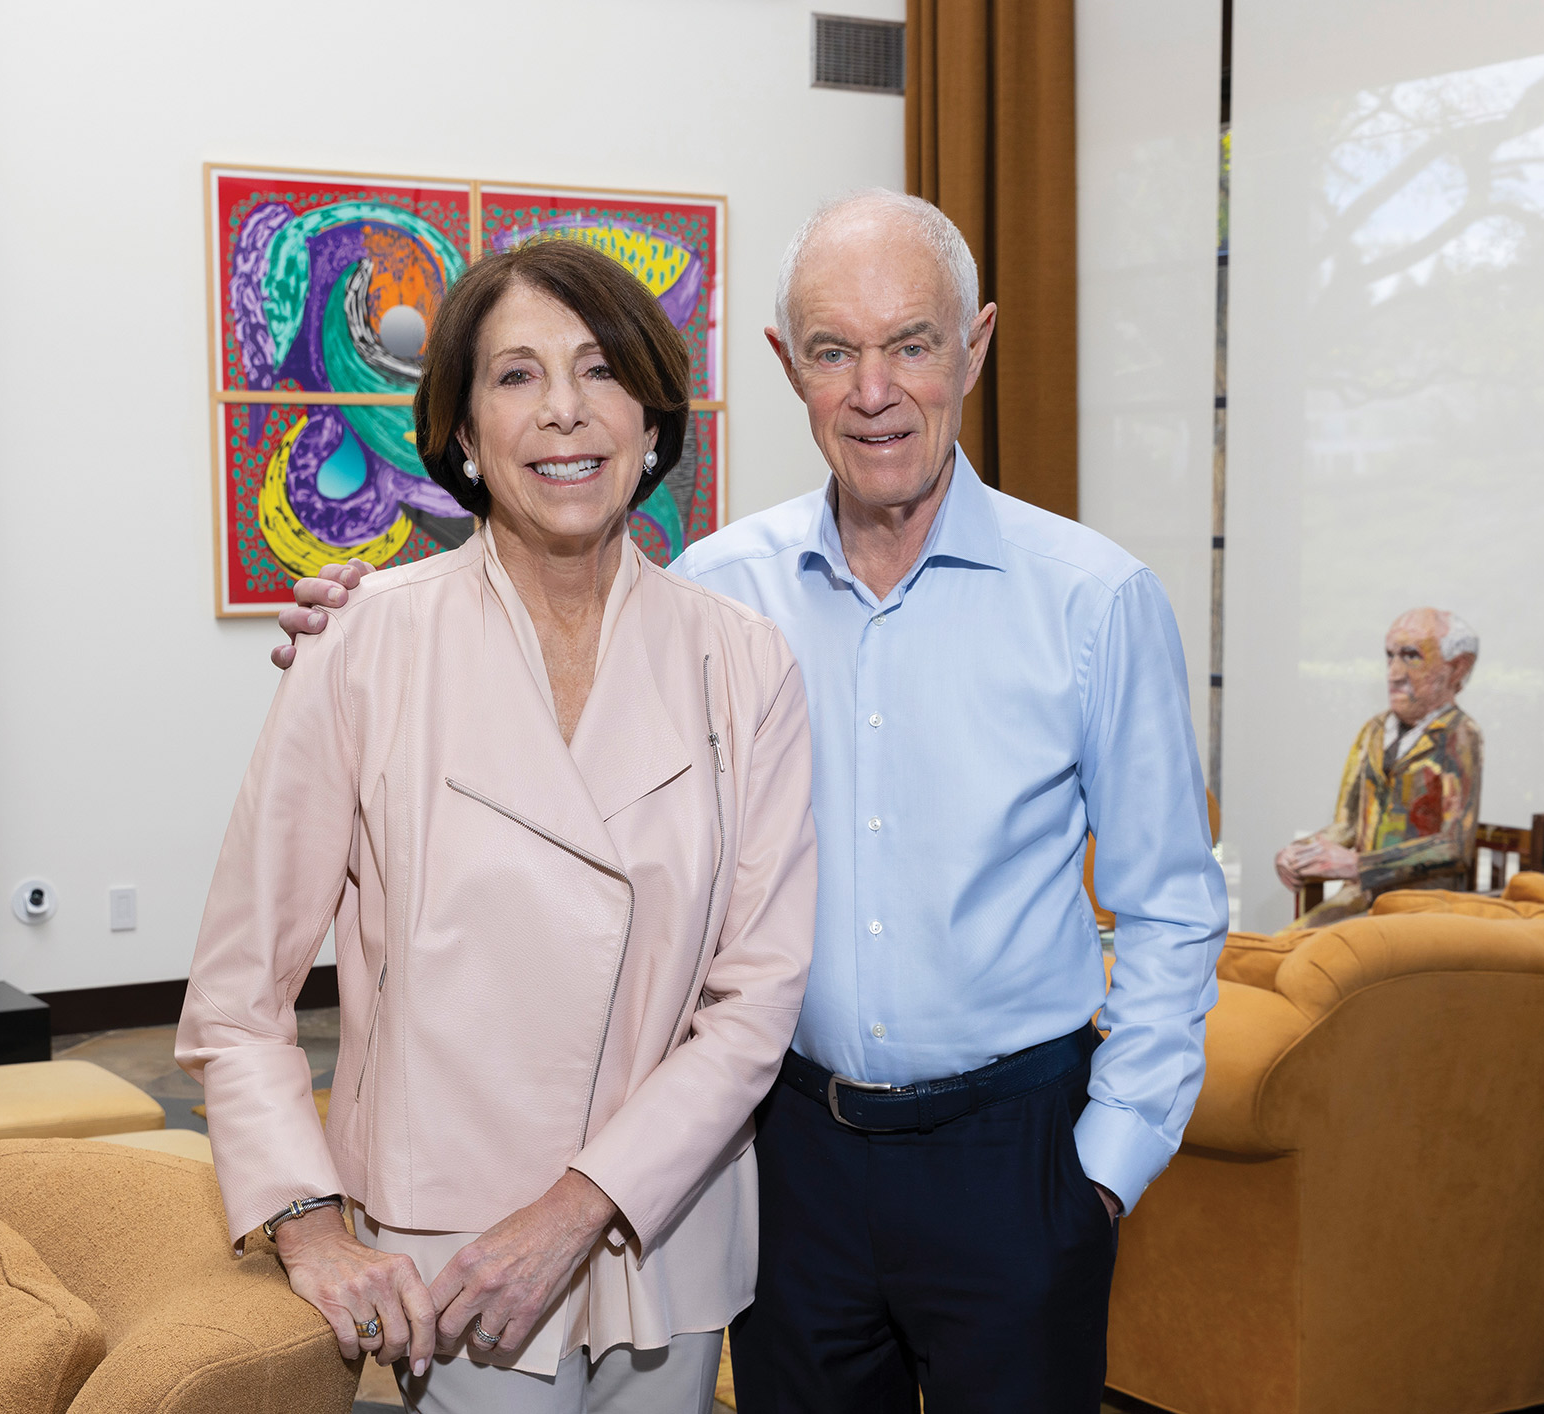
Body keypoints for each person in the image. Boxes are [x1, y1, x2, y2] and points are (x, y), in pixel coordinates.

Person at [280, 189, 1226, 1411]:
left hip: (1016, 1157)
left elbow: (1170, 909)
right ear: (789, 365)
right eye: (835, 350)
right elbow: (544, 624)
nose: (874, 389)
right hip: (786, 1158)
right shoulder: (722, 596)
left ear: (976, 345)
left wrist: (1105, 1168)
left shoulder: (1094, 600)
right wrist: (363, 621)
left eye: (913, 344)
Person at [180, 238, 818, 1413]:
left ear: (652, 418)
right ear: (465, 434)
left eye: (599, 370)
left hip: (656, 1227)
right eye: (517, 376)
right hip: (449, 1249)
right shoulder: (365, 643)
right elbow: (239, 986)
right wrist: (308, 1222)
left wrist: (582, 1203)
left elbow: (756, 999)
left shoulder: (744, 662)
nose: (565, 412)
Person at [1275, 607, 1484, 929]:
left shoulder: (1460, 735)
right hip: (1362, 899)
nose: (1393, 673)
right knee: (1286, 944)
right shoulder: (1373, 731)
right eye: (1390, 656)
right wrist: (1299, 852)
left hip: (1421, 910)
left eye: (1411, 656)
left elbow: (1453, 847)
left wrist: (1359, 865)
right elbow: (1347, 824)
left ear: (1457, 668)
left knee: (1316, 959)